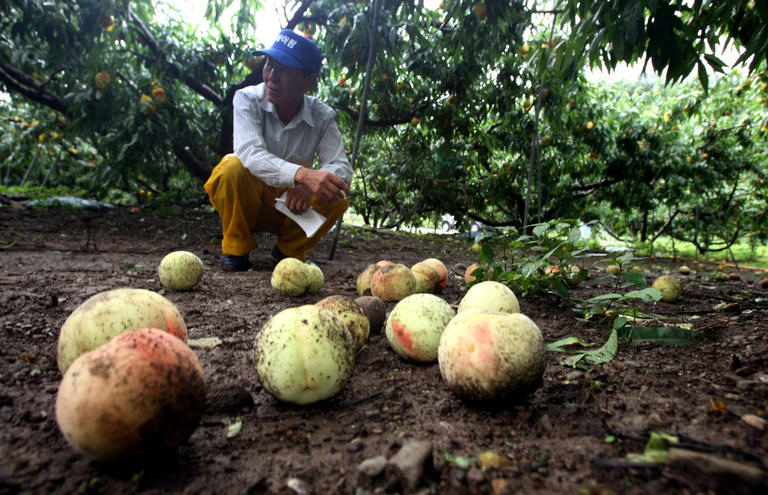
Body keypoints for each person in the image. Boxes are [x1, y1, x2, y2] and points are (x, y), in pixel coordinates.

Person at [204, 29, 352, 271]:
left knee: (336, 196)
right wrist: (303, 175)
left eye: (283, 70)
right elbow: (250, 153)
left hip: (291, 207)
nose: (271, 76)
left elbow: (342, 167)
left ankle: (289, 250)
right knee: (231, 167)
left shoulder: (322, 116)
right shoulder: (247, 99)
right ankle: (236, 248)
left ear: (308, 81)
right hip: (248, 202)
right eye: (269, 65)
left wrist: (306, 186)